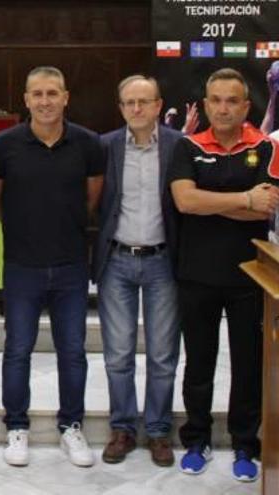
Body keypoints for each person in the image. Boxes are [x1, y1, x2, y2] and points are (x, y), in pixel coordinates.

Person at [0, 66, 104, 468]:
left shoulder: (88, 144)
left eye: (52, 93)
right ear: (25, 99)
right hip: (21, 265)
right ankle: (16, 427)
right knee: (17, 350)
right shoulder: (4, 145)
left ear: (66, 97)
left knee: (72, 352)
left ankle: (71, 427)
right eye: (37, 94)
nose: (44, 101)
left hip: (72, 266)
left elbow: (91, 199)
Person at [169, 67, 279, 482]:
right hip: (196, 273)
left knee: (248, 366)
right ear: (207, 103)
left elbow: (266, 206)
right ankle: (196, 439)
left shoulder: (265, 147)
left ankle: (245, 445)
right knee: (198, 362)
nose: (223, 108)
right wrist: (243, 199)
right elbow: (184, 201)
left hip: (250, 277)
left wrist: (214, 201)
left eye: (232, 101)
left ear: (246, 106)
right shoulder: (187, 146)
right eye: (215, 100)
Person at [93, 75, 183, 467]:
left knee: (163, 355)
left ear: (159, 105)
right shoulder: (106, 146)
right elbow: (95, 202)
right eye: (129, 103)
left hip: (164, 260)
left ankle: (160, 431)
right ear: (120, 107)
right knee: (118, 354)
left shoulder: (180, 146)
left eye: (144, 102)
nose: (136, 109)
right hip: (118, 260)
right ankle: (123, 428)